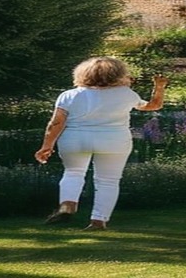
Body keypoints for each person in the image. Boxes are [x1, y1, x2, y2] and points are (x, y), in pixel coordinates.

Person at [35, 56, 167, 230]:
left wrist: (47, 146)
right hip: (114, 141)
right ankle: (99, 220)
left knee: (73, 172)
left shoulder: (69, 95)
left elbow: (56, 123)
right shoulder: (126, 94)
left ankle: (68, 205)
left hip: (76, 139)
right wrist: (159, 87)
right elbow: (153, 106)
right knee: (108, 181)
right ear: (117, 74)